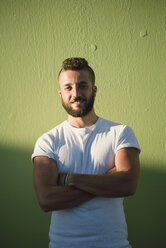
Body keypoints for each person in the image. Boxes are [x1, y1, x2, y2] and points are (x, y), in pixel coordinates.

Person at [32, 57, 140, 248]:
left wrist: (69, 179)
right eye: (68, 88)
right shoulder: (48, 141)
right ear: (61, 94)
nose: (76, 93)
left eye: (82, 86)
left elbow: (128, 184)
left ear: (94, 90)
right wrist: (107, 180)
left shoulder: (120, 133)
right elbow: (46, 200)